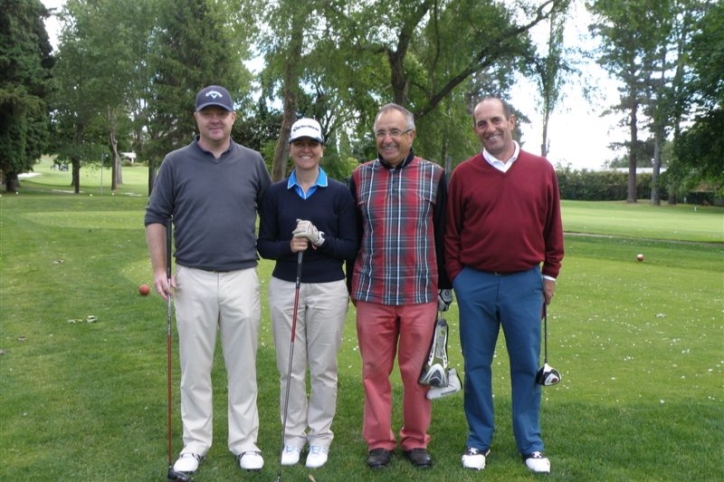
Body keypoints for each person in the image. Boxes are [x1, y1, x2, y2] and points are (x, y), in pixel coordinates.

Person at [144, 85, 272, 475]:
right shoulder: (175, 162)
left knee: (243, 366)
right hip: (192, 277)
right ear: (196, 117)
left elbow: (271, 211)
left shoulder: (253, 162)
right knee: (195, 368)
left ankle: (244, 442)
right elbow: (155, 216)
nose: (215, 119)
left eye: (222, 112)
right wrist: (160, 270)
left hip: (241, 275)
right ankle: (195, 444)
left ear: (233, 117)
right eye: (207, 112)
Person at [444, 97, 564, 474]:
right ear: (475, 129)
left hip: (524, 282)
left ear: (511, 121)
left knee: (526, 365)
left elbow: (552, 228)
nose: (490, 129)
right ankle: (479, 440)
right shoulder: (464, 174)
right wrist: (459, 280)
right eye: (481, 124)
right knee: (477, 364)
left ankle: (530, 444)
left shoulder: (541, 170)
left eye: (496, 120)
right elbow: (451, 234)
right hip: (475, 282)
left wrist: (550, 274)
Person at [348, 103, 452, 469]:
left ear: (410, 135)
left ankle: (415, 439)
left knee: (415, 373)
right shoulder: (360, 177)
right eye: (380, 133)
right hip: (372, 292)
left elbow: (444, 234)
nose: (387, 139)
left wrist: (446, 285)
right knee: (374, 372)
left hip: (419, 292)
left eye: (395, 132)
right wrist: (352, 285)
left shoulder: (435, 175)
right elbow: (354, 235)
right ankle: (379, 441)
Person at [257, 118, 358, 469]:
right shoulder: (275, 193)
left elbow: (350, 248)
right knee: (290, 366)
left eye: (312, 144)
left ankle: (319, 437)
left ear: (321, 149)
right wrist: (290, 245)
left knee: (323, 367)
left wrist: (320, 240)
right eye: (299, 143)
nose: (305, 149)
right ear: (291, 148)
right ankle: (292, 436)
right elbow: (264, 245)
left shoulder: (340, 193)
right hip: (286, 286)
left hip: (328, 288)